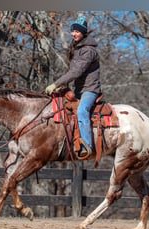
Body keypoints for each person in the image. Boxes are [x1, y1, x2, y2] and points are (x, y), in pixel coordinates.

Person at [45, 16, 102, 158]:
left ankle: (87, 146)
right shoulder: (77, 48)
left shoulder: (88, 50)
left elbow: (76, 72)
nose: (73, 34)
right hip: (79, 91)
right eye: (72, 31)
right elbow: (73, 71)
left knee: (82, 111)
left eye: (77, 31)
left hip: (90, 90)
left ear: (83, 33)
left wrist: (56, 84)